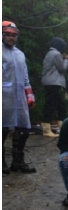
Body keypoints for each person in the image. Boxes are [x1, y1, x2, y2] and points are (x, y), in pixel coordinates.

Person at [2, 20, 36, 174]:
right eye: (7, 35)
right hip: (3, 97)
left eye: (13, 35)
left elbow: (25, 78)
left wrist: (30, 95)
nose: (11, 38)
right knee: (2, 129)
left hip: (19, 96)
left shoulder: (20, 54)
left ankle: (18, 161)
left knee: (24, 128)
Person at [41, 36, 68, 138]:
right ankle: (46, 129)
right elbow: (62, 68)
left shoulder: (50, 53)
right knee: (51, 105)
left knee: (60, 105)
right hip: (53, 82)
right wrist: (66, 60)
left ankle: (64, 128)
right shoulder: (56, 54)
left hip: (50, 82)